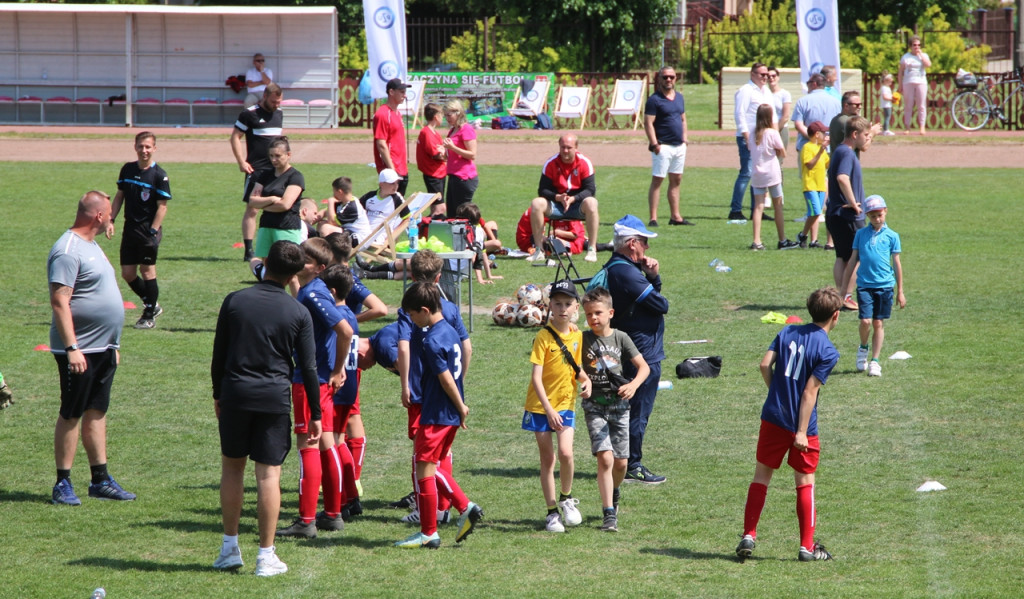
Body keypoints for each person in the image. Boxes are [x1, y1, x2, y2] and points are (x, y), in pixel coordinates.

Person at [211, 240, 320, 576]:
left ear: (265, 264)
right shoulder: (298, 311)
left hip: (235, 393)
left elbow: (219, 355)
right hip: (273, 397)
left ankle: (229, 548)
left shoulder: (235, 301)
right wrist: (316, 413)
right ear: (295, 274)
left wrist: (219, 395)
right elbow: (309, 368)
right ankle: (265, 555)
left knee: (232, 469)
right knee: (268, 475)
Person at [736, 286, 841, 563]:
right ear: (836, 316)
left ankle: (749, 534)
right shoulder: (828, 351)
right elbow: (809, 392)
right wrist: (802, 431)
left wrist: (776, 394)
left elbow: (764, 365)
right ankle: (806, 547)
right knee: (805, 482)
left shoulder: (786, 332)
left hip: (772, 417)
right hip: (802, 426)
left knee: (761, 476)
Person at [49, 191, 135, 506]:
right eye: (110, 213)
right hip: (80, 349)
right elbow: (60, 301)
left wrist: (113, 342)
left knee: (97, 410)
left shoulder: (92, 245)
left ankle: (100, 479)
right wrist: (72, 348)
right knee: (72, 412)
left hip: (103, 347)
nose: (112, 217)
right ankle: (63, 482)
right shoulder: (68, 250)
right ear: (98, 216)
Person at [394, 282, 483, 548]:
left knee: (424, 468)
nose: (410, 320)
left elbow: (445, 379)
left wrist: (460, 406)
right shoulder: (450, 331)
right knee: (433, 466)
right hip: (448, 415)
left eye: (412, 315)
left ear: (424, 310)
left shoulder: (431, 339)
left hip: (437, 413)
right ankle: (455, 514)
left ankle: (435, 528)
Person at [274, 239, 352, 540]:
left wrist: (336, 368)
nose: (299, 261)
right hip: (319, 379)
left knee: (309, 445)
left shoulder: (315, 294)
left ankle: (306, 520)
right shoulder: (312, 291)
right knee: (327, 443)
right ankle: (332, 514)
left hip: (312, 380)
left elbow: (344, 330)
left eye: (305, 260)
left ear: (319, 268)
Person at [602, 216, 669, 484]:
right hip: (641, 352)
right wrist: (653, 280)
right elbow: (661, 304)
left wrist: (652, 277)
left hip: (635, 348)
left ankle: (625, 461)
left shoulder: (621, 268)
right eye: (643, 242)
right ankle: (632, 464)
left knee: (631, 409)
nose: (646, 248)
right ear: (632, 244)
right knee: (637, 411)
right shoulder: (626, 272)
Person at [522, 279, 592, 533]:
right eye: (558, 303)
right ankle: (552, 513)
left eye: (568, 304)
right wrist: (549, 410)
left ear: (576, 308)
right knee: (548, 459)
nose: (563, 309)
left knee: (566, 453)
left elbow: (578, 369)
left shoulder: (577, 335)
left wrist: (587, 382)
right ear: (549, 306)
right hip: (541, 408)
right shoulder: (542, 337)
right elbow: (536, 378)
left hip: (566, 404)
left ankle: (566, 498)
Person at [579, 287, 650, 533]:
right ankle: (609, 513)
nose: (593, 318)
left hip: (620, 407)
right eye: (588, 314)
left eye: (598, 313)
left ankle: (615, 490)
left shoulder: (621, 338)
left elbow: (643, 367)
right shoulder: (582, 339)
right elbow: (573, 368)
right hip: (594, 406)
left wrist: (633, 385)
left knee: (621, 463)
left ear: (610, 312)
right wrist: (583, 384)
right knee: (605, 458)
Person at [105, 131, 171, 330]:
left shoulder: (159, 175)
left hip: (148, 231)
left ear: (154, 148)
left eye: (148, 147)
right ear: (135, 147)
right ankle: (151, 302)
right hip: (130, 229)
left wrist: (153, 231)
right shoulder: (127, 169)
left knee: (147, 271)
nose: (144, 150)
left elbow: (162, 206)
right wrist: (111, 219)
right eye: (141, 146)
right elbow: (119, 197)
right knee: (127, 273)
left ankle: (149, 314)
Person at [840, 195, 905, 377]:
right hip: (865, 285)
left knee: (878, 322)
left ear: (885, 212)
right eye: (873, 216)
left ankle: (875, 361)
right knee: (865, 321)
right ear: (868, 216)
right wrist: (845, 289)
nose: (877, 219)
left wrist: (900, 291)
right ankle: (863, 348)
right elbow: (853, 260)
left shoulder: (892, 236)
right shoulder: (861, 235)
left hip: (885, 286)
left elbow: (897, 264)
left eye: (879, 215)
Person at [525, 134, 600, 263]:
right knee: (536, 203)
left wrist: (573, 199)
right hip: (557, 205)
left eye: (569, 148)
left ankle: (592, 249)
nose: (565, 151)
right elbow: (542, 190)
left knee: (592, 203)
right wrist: (558, 197)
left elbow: (590, 190)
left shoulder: (584, 163)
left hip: (577, 205)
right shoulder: (551, 163)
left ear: (576, 147)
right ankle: (539, 250)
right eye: (562, 147)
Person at [230, 83, 284, 262]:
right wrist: (241, 162)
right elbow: (235, 137)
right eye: (274, 101)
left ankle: (275, 247)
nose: (277, 104)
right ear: (265, 97)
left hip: (276, 171)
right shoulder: (249, 114)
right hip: (256, 171)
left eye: (279, 101)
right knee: (252, 209)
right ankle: (249, 250)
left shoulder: (279, 113)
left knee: (278, 207)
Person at [826, 116, 873, 311]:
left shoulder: (839, 151)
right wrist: (854, 204)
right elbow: (842, 178)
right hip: (847, 216)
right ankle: (846, 296)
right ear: (855, 135)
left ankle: (840, 296)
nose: (869, 139)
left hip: (835, 214)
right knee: (858, 256)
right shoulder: (847, 153)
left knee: (842, 256)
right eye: (866, 135)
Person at [643, 65, 690, 227]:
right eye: (665, 77)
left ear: (675, 78)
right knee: (658, 180)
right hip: (663, 146)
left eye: (671, 77)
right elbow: (648, 123)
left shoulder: (679, 97)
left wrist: (685, 139)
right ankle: (653, 218)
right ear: (659, 79)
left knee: (676, 180)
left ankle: (675, 216)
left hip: (679, 147)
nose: (668, 80)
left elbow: (683, 119)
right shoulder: (654, 100)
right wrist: (655, 144)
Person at [748, 104, 799, 251]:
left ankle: (756, 241)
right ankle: (782, 240)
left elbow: (751, 148)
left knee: (758, 207)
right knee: (778, 205)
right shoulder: (772, 133)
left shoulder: (753, 133)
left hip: (757, 174)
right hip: (772, 174)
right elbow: (782, 152)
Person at [729, 63, 775, 221]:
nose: (765, 78)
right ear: (752, 74)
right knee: (746, 173)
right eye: (762, 74)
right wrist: (746, 136)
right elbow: (739, 114)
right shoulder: (746, 91)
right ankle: (735, 210)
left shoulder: (766, 91)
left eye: (767, 75)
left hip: (763, 138)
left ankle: (757, 209)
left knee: (758, 174)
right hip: (748, 137)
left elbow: (771, 115)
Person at [248, 137, 304, 259]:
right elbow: (252, 201)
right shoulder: (265, 174)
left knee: (287, 266)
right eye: (271, 156)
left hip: (286, 227)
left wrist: (262, 204)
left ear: (288, 154)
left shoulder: (295, 176)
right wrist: (272, 199)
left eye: (278, 156)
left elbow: (285, 205)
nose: (273, 159)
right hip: (266, 226)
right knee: (266, 265)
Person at [791, 73, 842, 177]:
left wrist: (814, 138)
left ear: (814, 84)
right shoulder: (836, 102)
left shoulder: (803, 101)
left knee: (809, 182)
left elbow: (798, 125)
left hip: (807, 147)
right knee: (827, 180)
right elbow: (839, 125)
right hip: (829, 146)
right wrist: (826, 139)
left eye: (808, 83)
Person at [373, 78, 411, 195]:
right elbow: (381, 143)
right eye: (401, 92)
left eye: (405, 92)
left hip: (401, 167)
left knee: (398, 205)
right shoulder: (383, 114)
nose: (404, 95)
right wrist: (392, 170)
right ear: (391, 92)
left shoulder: (397, 113)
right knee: (390, 206)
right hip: (392, 169)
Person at [441, 99, 478, 217]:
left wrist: (452, 147)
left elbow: (472, 154)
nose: (447, 118)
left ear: (458, 113)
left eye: (449, 115)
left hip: (464, 178)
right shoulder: (452, 130)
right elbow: (452, 155)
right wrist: (444, 153)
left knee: (462, 215)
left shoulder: (466, 129)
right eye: (445, 115)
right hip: (453, 176)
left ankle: (470, 235)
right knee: (452, 214)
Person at [796, 121, 830, 249]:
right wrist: (821, 151)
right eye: (823, 133)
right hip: (810, 185)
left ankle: (813, 240)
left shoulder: (821, 148)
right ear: (817, 134)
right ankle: (803, 235)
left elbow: (828, 164)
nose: (825, 135)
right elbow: (809, 164)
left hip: (821, 185)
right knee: (815, 211)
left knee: (817, 213)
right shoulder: (808, 147)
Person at [454, 202, 502, 285]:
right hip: (459, 271)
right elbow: (478, 255)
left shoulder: (454, 227)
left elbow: (480, 254)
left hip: (447, 269)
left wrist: (488, 276)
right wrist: (482, 278)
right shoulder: (477, 230)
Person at [359, 168, 408, 246]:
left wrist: (391, 238)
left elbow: (407, 219)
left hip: (381, 238)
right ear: (381, 184)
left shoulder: (397, 199)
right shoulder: (370, 196)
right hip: (364, 234)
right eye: (392, 183)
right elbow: (356, 211)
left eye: (397, 183)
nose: (396, 186)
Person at [415, 102, 447, 217]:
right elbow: (436, 154)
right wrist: (446, 153)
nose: (442, 118)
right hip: (434, 174)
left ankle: (427, 228)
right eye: (442, 116)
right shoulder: (427, 133)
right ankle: (428, 228)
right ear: (436, 117)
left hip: (439, 173)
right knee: (440, 208)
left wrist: (444, 150)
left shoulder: (435, 133)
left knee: (435, 207)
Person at [320, 176, 372, 245]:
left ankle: (327, 253)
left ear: (340, 192)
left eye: (334, 191)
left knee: (326, 228)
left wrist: (330, 202)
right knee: (321, 224)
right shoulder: (343, 202)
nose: (333, 195)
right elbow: (326, 212)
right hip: (348, 232)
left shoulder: (352, 206)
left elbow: (332, 222)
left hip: (360, 239)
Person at [899, 36, 931, 135]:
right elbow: (900, 71)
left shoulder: (923, 55)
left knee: (921, 105)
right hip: (908, 82)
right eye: (914, 45)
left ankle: (922, 127)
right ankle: (907, 127)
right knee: (908, 105)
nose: (916, 47)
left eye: (918, 45)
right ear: (910, 46)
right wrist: (900, 85)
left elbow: (928, 64)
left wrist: (920, 54)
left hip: (921, 81)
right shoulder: (906, 57)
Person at [767, 66, 793, 158]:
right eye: (768, 76)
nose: (771, 78)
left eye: (773, 76)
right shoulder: (764, 93)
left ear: (778, 77)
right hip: (767, 130)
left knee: (778, 160)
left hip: (781, 129)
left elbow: (785, 116)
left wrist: (775, 131)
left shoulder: (784, 94)